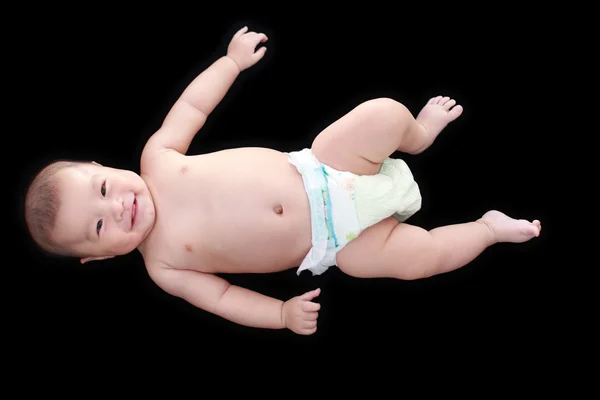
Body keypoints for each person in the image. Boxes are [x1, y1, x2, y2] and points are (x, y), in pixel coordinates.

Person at [24, 26, 542, 336]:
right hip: (339, 244)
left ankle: (419, 135)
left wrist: (229, 63)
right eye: (97, 227)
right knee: (419, 259)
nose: (116, 208)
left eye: (103, 190)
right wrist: (279, 316)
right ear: (100, 258)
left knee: (381, 112)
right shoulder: (164, 265)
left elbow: (193, 106)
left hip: (326, 167)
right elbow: (223, 299)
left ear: (100, 167)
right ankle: (487, 230)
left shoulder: (158, 157)